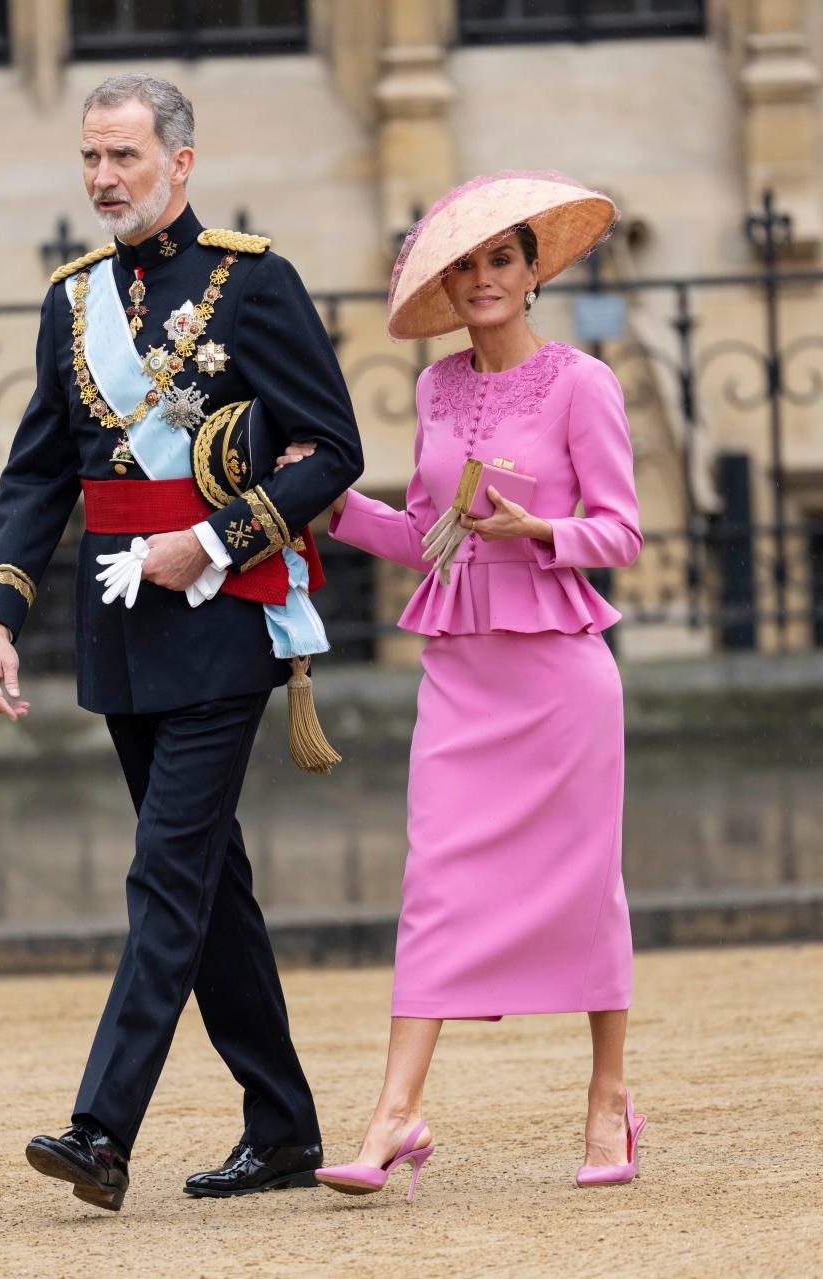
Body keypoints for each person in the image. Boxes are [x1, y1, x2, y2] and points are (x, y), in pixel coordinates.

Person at [0, 73, 362, 1210]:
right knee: (207, 884)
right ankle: (283, 1127)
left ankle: (102, 1128)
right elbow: (41, 472)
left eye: (124, 159)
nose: (103, 180)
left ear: (180, 163)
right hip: (120, 631)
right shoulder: (73, 299)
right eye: (90, 159)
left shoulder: (257, 284)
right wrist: (0, 611)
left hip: (222, 621)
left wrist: (222, 539)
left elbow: (331, 446)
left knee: (163, 874)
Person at [280, 172, 646, 1197]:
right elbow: (428, 538)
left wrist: (539, 531)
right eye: (468, 264)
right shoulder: (437, 389)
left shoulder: (584, 382)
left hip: (562, 676)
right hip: (461, 674)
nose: (484, 278)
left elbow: (622, 531)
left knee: (586, 887)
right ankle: (395, 1115)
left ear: (534, 273)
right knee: (434, 881)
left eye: (503, 259)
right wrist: (331, 500)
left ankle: (608, 1099)